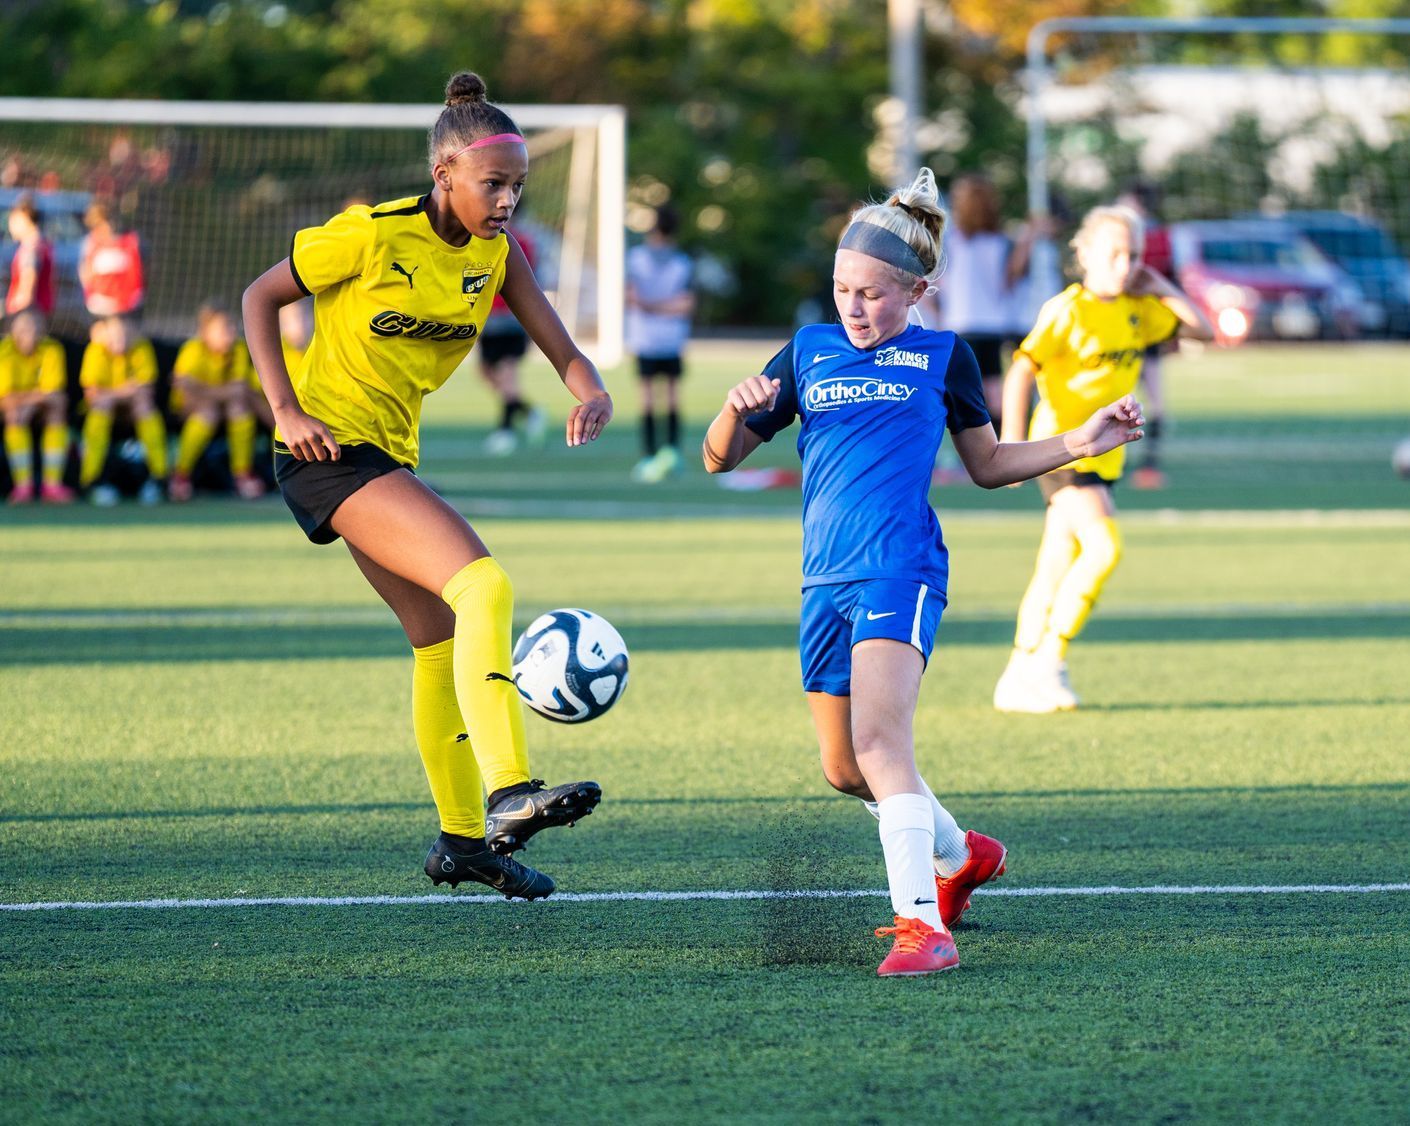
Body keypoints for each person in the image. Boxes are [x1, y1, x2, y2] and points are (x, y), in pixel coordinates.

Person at [702, 168, 1149, 977]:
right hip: (822, 581)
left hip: (901, 569)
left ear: (919, 292)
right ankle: (961, 853)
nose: (853, 306)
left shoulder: (944, 357)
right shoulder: (808, 350)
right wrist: (734, 408)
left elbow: (985, 464)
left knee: (880, 742)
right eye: (842, 289)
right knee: (844, 768)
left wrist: (1081, 442)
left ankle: (923, 929)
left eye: (872, 293)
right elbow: (717, 458)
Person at [242, 72, 613, 901]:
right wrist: (284, 406)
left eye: (518, 185)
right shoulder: (370, 235)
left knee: (440, 640)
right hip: (328, 452)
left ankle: (461, 844)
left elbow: (560, 344)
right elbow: (258, 297)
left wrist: (588, 388)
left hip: (386, 456)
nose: (508, 199)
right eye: (494, 183)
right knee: (484, 583)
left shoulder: (496, 253)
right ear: (444, 174)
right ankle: (511, 789)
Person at [993, 205, 1213, 714]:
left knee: (1055, 564)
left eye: (1133, 254)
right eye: (1113, 252)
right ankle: (1049, 660)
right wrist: (1009, 442)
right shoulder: (1067, 309)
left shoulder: (1138, 307)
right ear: (1084, 253)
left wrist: (1159, 283)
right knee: (1103, 547)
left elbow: (1200, 330)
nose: (1123, 263)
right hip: (1064, 448)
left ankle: (1018, 674)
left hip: (1105, 455)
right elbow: (1023, 369)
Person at [927, 174, 1036, 425]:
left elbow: (932, 284)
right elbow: (1009, 281)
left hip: (962, 324)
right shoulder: (998, 241)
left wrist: (940, 317)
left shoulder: (950, 241)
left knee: (965, 392)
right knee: (993, 393)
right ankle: (998, 444)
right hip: (991, 324)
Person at [169, 301, 263, 501]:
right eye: (223, 327)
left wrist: (204, 389)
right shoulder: (193, 350)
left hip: (224, 404)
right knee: (207, 413)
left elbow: (239, 390)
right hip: (190, 407)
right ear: (205, 331)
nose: (230, 331)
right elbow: (185, 389)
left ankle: (242, 475)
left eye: (231, 326)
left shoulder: (237, 349)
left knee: (240, 410)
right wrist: (219, 393)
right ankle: (180, 475)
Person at [627, 204, 694, 483]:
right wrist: (665, 308)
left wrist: (649, 306)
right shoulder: (682, 262)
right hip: (672, 337)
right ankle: (673, 453)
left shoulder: (635, 258)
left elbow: (630, 296)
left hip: (644, 336)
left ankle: (648, 456)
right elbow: (685, 304)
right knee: (672, 395)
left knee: (646, 398)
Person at [1116, 180, 1175, 490]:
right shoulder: (1118, 241)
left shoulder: (1154, 239)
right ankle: (1116, 459)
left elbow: (1168, 276)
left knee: (1154, 398)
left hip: (1145, 327)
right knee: (1116, 397)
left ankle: (1150, 463)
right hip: (1115, 325)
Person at [78, 315, 168, 505]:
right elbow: (92, 395)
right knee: (102, 406)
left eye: (125, 334)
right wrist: (126, 390)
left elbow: (146, 391)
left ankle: (159, 477)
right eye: (115, 335)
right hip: (105, 409)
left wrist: (112, 393)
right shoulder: (96, 351)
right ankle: (91, 479)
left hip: (132, 408)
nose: (121, 340)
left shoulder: (141, 348)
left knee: (145, 407)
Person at [477, 226, 546, 455]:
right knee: (486, 372)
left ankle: (505, 431)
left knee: (507, 375)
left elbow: (531, 279)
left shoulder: (521, 242)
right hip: (488, 319)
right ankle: (528, 411)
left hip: (512, 319)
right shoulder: (482, 238)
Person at [0, 310, 73, 503]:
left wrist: (30, 405)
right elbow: (6, 394)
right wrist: (29, 402)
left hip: (37, 406)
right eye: (23, 329)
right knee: (13, 413)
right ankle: (23, 486)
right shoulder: (4, 351)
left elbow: (54, 392)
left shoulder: (52, 349)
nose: (29, 333)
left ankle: (52, 485)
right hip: (14, 407)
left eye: (34, 328)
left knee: (58, 408)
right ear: (12, 331)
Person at [78, 203, 145, 318]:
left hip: (123, 304)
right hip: (99, 302)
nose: (107, 227)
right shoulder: (91, 244)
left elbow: (134, 275)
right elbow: (86, 275)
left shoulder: (127, 244)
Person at [5, 194, 55, 318]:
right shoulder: (42, 244)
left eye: (12, 220)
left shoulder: (30, 249)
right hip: (38, 313)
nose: (10, 226)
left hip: (27, 318)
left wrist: (9, 315)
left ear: (25, 217)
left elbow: (26, 295)